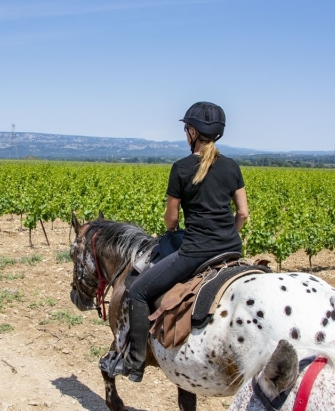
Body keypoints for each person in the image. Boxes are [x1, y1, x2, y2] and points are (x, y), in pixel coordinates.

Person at [100, 102, 249, 382]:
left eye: (186, 129)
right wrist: (230, 234)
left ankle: (134, 360)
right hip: (232, 249)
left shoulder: (181, 168)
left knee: (138, 292)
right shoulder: (232, 166)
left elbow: (171, 220)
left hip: (195, 252)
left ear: (193, 132)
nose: (185, 133)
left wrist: (175, 228)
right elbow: (242, 213)